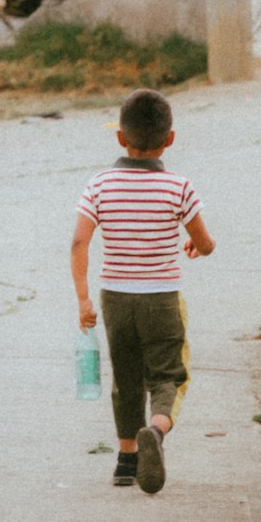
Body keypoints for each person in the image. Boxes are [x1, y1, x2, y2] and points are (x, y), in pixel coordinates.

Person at [70, 88, 216, 495]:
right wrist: (199, 246)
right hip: (161, 297)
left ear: (120, 137)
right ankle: (157, 428)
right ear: (170, 139)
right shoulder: (178, 188)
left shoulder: (99, 185)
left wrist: (83, 298)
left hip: (114, 297)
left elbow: (79, 242)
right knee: (167, 374)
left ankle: (125, 459)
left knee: (127, 376)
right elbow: (203, 242)